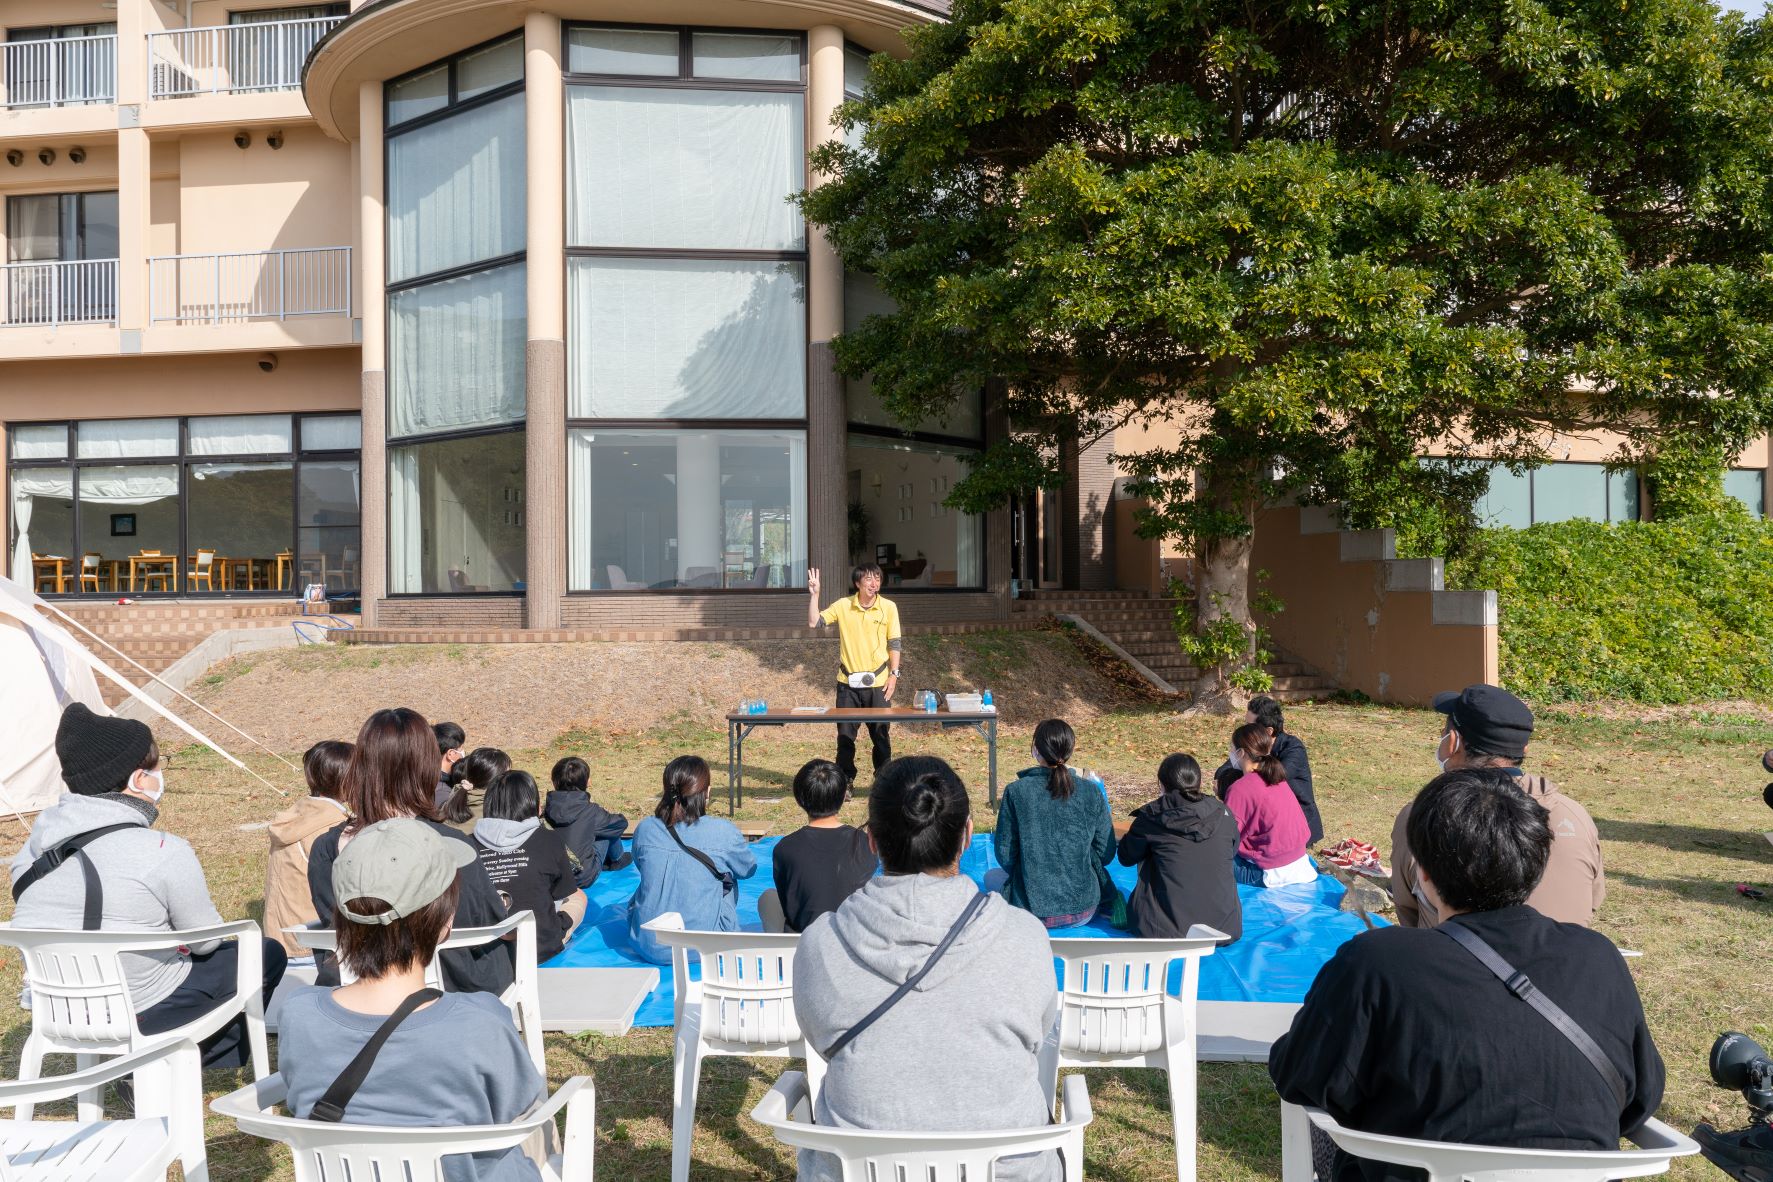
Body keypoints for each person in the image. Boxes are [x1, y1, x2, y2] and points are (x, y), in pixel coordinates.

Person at [1268, 770, 1665, 1182]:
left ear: (1422, 872)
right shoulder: (1598, 957)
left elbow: (1300, 1076)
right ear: (1535, 863)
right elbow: (1639, 1099)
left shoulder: (1375, 962)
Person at [794, 756, 1061, 1182]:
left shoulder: (822, 942)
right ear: (968, 835)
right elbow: (1039, 1033)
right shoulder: (1025, 935)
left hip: (857, 1171)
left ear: (872, 841)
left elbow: (820, 1038)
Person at [10, 702, 286, 1068]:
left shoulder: (32, 850)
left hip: (59, 1006)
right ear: (139, 780)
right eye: (159, 767)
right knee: (264, 954)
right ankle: (162, 1067)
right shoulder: (162, 850)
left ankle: (145, 1068)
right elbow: (206, 941)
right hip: (139, 1005)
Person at [278, 818, 544, 1182]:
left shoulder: (298, 1014)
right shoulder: (481, 1022)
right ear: (445, 923)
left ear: (339, 920)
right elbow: (520, 1106)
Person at [307, 709, 514, 995]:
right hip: (453, 983)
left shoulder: (326, 848)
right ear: (429, 767)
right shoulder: (451, 844)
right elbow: (487, 923)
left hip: (361, 980)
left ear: (360, 767)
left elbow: (333, 920)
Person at [1390, 684, 1603, 928]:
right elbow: (1591, 900)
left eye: (1444, 732)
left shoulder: (1426, 814)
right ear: (1523, 749)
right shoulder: (1574, 814)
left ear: (1453, 742)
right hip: (1563, 961)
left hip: (1452, 960)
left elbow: (1409, 911)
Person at [627, 756, 758, 965]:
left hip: (647, 942)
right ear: (706, 792)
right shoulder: (723, 832)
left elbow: (641, 865)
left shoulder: (645, 828)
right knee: (727, 878)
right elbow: (748, 869)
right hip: (706, 946)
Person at [986, 719, 1116, 928]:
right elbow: (1106, 853)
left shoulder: (1016, 791)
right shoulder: (1091, 791)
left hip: (1030, 912)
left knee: (990, 877)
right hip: (1084, 910)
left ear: (1036, 750)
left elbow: (1005, 854)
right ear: (1070, 750)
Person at [1118, 753, 1242, 941]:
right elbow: (1232, 851)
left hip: (1164, 931)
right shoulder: (1223, 812)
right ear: (1198, 782)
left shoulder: (1152, 818)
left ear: (1161, 784)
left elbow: (1126, 856)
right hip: (1223, 927)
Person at [473, 770, 587, 962]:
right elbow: (563, 891)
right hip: (540, 948)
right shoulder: (549, 839)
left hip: (482, 957)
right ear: (535, 805)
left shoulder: (466, 846)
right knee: (578, 896)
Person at [806, 563, 902, 787]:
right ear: (857, 583)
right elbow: (814, 623)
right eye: (868, 579)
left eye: (877, 578)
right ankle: (845, 780)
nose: (874, 583)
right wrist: (815, 595)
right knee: (845, 736)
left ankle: (884, 780)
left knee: (881, 735)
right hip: (847, 684)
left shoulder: (888, 607)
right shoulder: (843, 605)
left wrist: (894, 675)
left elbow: (894, 642)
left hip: (879, 683)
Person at [760, 758, 877, 933]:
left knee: (767, 898)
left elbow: (790, 902)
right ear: (844, 794)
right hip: (853, 940)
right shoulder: (864, 842)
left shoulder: (785, 848)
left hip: (802, 945)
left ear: (799, 797)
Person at [264, 739, 354, 958]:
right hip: (315, 947)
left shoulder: (295, 816)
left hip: (277, 940)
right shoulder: (334, 828)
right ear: (347, 779)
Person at [1214, 696, 1322, 844]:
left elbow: (1269, 780)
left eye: (1250, 725)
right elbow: (1223, 771)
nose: (1245, 729)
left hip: (1296, 823)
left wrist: (1233, 785)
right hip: (1266, 819)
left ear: (1269, 731)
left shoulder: (1293, 748)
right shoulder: (1250, 747)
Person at [1224, 723, 1315, 888]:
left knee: (1206, 857)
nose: (1230, 753)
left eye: (1232, 748)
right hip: (1300, 864)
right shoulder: (1277, 777)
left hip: (1269, 872)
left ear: (1241, 752)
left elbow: (1225, 838)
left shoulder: (1240, 789)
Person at [543, 755, 631, 886]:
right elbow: (620, 824)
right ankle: (617, 860)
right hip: (581, 877)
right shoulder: (592, 812)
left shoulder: (544, 812)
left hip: (551, 877)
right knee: (608, 828)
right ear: (588, 782)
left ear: (554, 781)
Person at [441, 747, 511, 834]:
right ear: (497, 780)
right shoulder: (495, 814)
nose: (510, 778)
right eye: (508, 775)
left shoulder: (452, 797)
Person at [433, 721, 466, 812]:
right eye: (462, 749)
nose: (464, 754)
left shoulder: (426, 776)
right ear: (451, 754)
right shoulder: (443, 793)